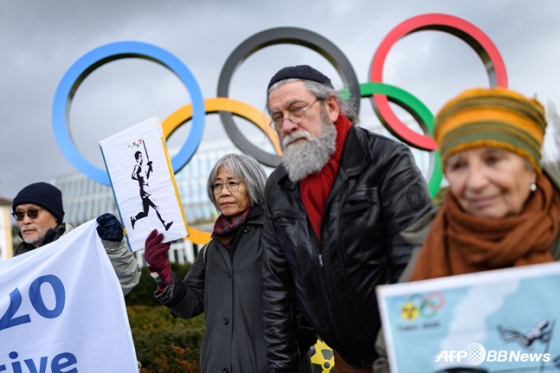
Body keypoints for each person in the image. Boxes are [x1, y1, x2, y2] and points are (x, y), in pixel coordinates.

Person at [373, 87, 560, 372]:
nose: (475, 182)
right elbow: (391, 355)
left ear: (531, 168)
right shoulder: (431, 242)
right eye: (459, 165)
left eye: (493, 159)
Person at [261, 65, 432, 372]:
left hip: (400, 355)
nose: (286, 125)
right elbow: (277, 286)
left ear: (330, 106)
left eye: (296, 109)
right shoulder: (278, 187)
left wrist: (396, 356)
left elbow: (415, 265)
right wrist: (281, 367)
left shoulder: (387, 161)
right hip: (343, 361)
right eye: (277, 117)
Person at [144, 154, 310, 373]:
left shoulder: (278, 235)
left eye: (232, 183)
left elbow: (310, 297)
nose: (223, 192)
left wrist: (295, 347)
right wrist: (163, 274)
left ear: (252, 185)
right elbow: (190, 305)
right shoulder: (210, 250)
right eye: (217, 185)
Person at [12, 181, 141, 295]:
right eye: (19, 214)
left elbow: (124, 282)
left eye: (33, 212)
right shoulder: (15, 265)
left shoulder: (85, 248)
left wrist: (114, 248)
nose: (26, 220)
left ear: (55, 215)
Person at [130, 150, 173, 231]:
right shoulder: (137, 166)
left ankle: (134, 218)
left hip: (146, 190)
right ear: (137, 159)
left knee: (145, 213)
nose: (142, 158)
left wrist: (149, 168)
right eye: (140, 157)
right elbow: (133, 175)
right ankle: (165, 224)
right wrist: (139, 180)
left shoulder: (142, 167)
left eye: (142, 156)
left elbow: (147, 177)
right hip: (144, 191)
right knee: (156, 206)